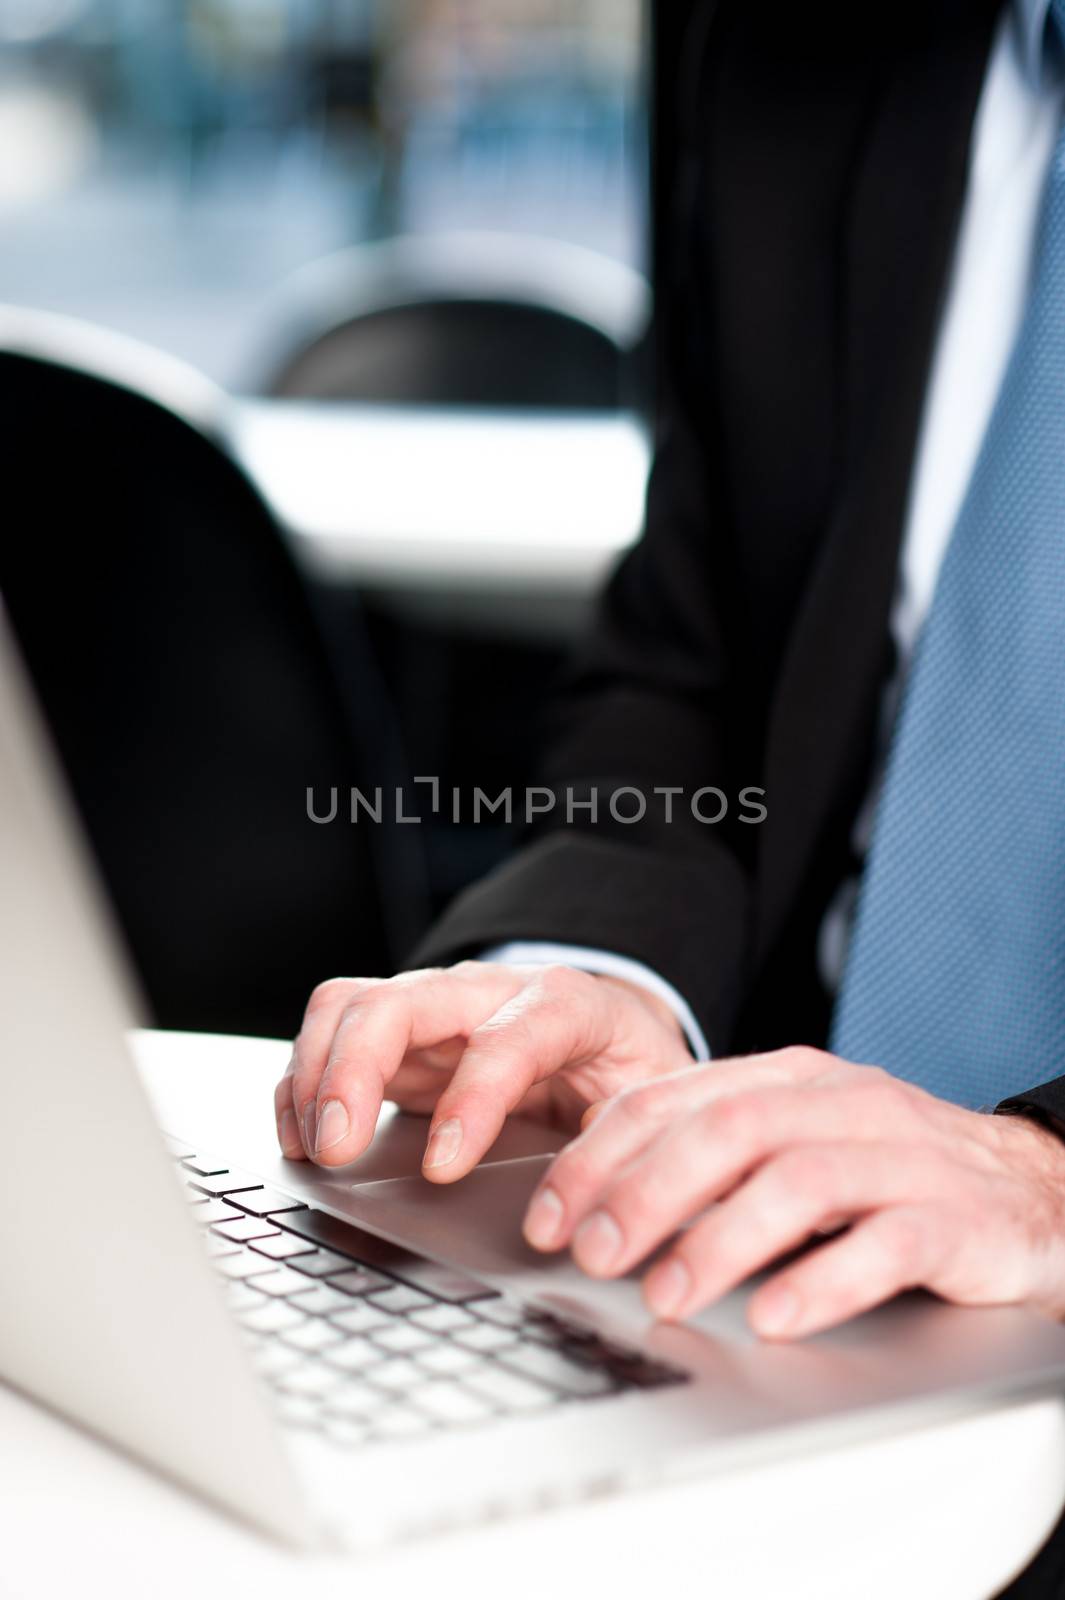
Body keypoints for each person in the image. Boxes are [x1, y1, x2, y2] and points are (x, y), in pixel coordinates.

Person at [275, 0, 1065, 1404]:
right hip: (735, 1268)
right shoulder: (775, 39)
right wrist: (591, 972)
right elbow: (689, 661)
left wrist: (1042, 1183)